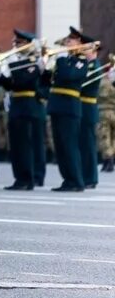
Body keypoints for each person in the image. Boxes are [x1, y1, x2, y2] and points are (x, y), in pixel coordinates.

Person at [43, 27, 89, 192]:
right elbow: (48, 81)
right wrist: (46, 67)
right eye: (67, 39)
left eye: (72, 39)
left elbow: (68, 76)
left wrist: (61, 59)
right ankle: (67, 179)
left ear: (80, 43)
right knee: (60, 146)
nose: (67, 41)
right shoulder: (63, 60)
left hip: (70, 107)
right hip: (57, 105)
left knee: (69, 146)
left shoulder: (81, 61)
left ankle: (76, 180)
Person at [0, 29, 44, 191]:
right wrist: (1, 75)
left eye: (19, 43)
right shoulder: (16, 62)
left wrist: (10, 68)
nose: (16, 45)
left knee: (26, 144)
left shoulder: (33, 61)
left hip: (28, 104)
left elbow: (25, 81)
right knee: (16, 145)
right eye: (15, 43)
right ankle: (19, 178)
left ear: (28, 45)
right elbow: (10, 85)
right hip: (16, 103)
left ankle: (28, 178)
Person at [79, 41, 101, 189]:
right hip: (82, 107)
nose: (83, 51)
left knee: (87, 145)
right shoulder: (85, 65)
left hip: (87, 107)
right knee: (82, 144)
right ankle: (85, 176)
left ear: (94, 51)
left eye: (86, 49)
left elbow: (83, 83)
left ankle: (91, 178)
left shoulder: (94, 66)